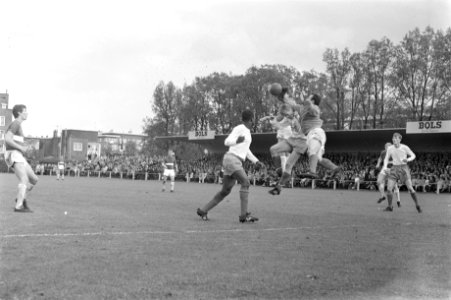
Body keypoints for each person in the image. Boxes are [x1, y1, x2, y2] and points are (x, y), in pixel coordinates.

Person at [197, 109, 265, 223]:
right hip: (232, 159)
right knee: (246, 182)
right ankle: (244, 216)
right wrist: (237, 140)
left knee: (225, 191)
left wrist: (256, 161)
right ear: (251, 119)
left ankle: (203, 210)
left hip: (232, 160)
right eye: (253, 119)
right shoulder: (240, 128)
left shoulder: (247, 132)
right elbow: (227, 142)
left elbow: (246, 150)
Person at [269, 93, 340, 195]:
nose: (285, 114)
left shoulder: (309, 110)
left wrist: (297, 112)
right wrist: (274, 120)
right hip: (292, 139)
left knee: (289, 165)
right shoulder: (297, 111)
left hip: (302, 141)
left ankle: (279, 187)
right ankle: (279, 170)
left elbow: (309, 113)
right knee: (273, 149)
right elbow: (281, 123)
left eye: (286, 113)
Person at [5, 104, 39, 212]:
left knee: (34, 179)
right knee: (24, 179)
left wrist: (26, 146)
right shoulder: (16, 123)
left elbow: (16, 141)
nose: (27, 113)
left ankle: (20, 197)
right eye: (25, 111)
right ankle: (18, 206)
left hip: (18, 155)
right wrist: (21, 148)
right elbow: (7, 139)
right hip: (13, 154)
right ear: (19, 113)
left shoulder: (19, 125)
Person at [382, 132, 421, 213]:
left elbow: (413, 155)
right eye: (393, 138)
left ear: (400, 139)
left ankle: (417, 205)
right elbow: (386, 159)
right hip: (394, 168)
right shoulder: (390, 148)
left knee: (410, 188)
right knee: (389, 189)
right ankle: (390, 207)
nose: (394, 140)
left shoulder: (404, 147)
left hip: (403, 168)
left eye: (396, 138)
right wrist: (385, 167)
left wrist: (408, 159)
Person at [376, 143, 401, 207]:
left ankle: (398, 200)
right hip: (384, 169)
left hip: (392, 170)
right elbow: (380, 158)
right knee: (379, 182)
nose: (388, 149)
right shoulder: (383, 152)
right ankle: (383, 196)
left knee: (395, 187)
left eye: (389, 147)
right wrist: (378, 164)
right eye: (386, 147)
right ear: (385, 148)